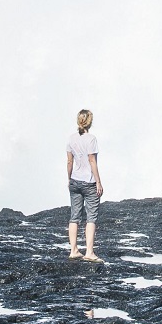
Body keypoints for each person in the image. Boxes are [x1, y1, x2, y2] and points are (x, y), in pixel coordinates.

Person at [66, 109, 104, 262]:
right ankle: (89, 252)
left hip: (75, 180)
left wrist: (69, 179)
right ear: (90, 121)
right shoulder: (91, 139)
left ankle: (73, 250)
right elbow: (92, 161)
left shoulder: (71, 138)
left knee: (74, 216)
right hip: (88, 182)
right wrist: (99, 182)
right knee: (91, 217)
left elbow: (69, 162)